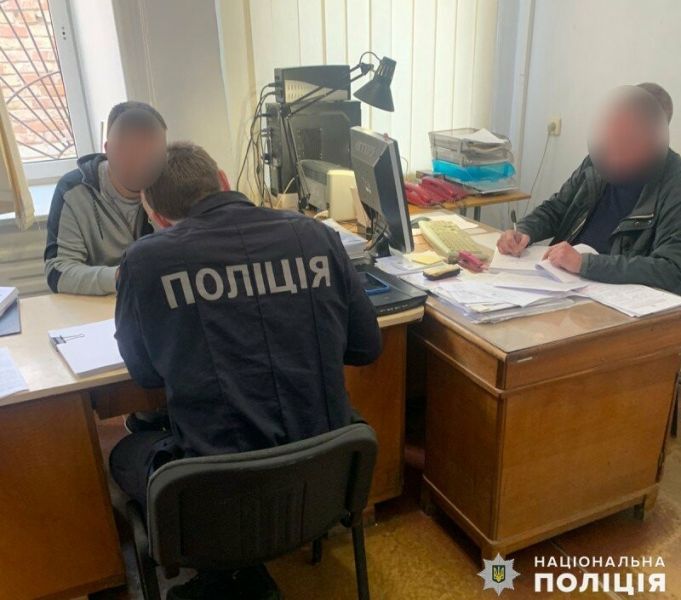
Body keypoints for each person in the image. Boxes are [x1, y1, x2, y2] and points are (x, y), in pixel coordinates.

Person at [110, 141, 382, 599]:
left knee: (123, 452)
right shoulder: (317, 236)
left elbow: (145, 375)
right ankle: (246, 571)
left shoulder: (144, 261)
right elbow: (366, 347)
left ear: (156, 216)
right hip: (321, 483)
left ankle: (221, 575)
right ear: (223, 181)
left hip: (217, 500)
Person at [497, 83, 681, 294]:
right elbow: (557, 208)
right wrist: (524, 231)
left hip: (612, 297)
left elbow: (672, 270)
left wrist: (585, 264)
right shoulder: (598, 160)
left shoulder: (674, 184)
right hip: (559, 282)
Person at [44, 101, 167, 295]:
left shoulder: (170, 185)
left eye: (152, 152)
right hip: (101, 305)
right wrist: (122, 276)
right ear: (108, 149)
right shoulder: (73, 190)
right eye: (131, 150)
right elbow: (58, 272)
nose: (143, 161)